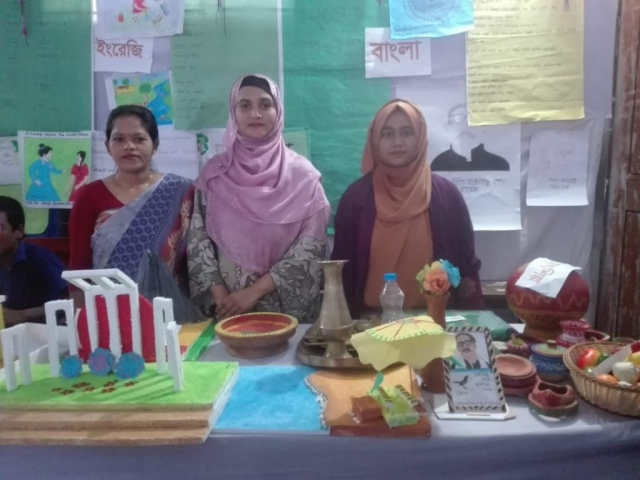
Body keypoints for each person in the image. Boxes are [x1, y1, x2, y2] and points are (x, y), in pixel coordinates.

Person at [188, 74, 330, 323]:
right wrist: (222, 298)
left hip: (286, 315)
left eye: (265, 105)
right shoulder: (214, 175)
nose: (255, 114)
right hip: (227, 312)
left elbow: (311, 244)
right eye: (245, 106)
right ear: (233, 113)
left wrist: (255, 292)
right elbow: (198, 241)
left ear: (278, 111)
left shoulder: (303, 177)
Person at [331, 99, 483, 319]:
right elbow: (342, 274)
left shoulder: (447, 197)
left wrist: (473, 326)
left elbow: (468, 268)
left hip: (434, 324)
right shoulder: (355, 200)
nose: (397, 142)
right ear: (374, 140)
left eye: (406, 133)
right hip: (369, 326)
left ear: (420, 137)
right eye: (387, 134)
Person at [68, 105, 194, 302]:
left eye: (139, 139)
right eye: (119, 139)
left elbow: (195, 262)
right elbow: (79, 267)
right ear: (108, 146)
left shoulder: (182, 191)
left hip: (170, 309)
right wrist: (82, 315)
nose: (129, 146)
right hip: (108, 309)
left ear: (155, 145)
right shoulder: (89, 196)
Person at [0, 196, 67, 325]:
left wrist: (23, 315)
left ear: (19, 231)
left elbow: (71, 300)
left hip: (43, 332)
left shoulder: (39, 258)